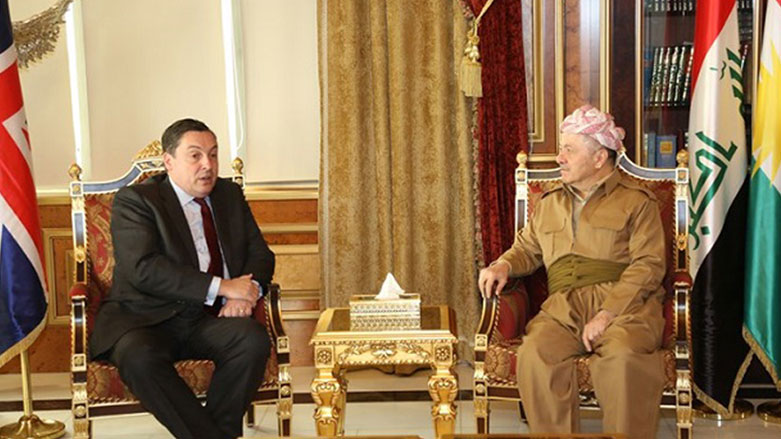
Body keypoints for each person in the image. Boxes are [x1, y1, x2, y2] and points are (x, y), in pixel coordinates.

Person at [478, 105, 667, 439]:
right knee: (536, 354)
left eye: (569, 149)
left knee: (623, 359)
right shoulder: (549, 202)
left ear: (599, 158)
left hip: (625, 307)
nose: (559, 158)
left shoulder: (638, 202)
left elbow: (648, 265)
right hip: (563, 307)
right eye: (560, 148)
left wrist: (608, 314)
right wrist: (503, 264)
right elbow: (527, 249)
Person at [89, 118, 275, 439]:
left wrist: (246, 293)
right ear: (169, 161)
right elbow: (144, 268)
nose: (208, 165)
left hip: (209, 318)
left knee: (252, 340)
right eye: (196, 155)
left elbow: (261, 255)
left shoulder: (229, 194)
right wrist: (223, 286)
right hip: (145, 318)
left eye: (214, 155)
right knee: (138, 358)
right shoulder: (137, 200)